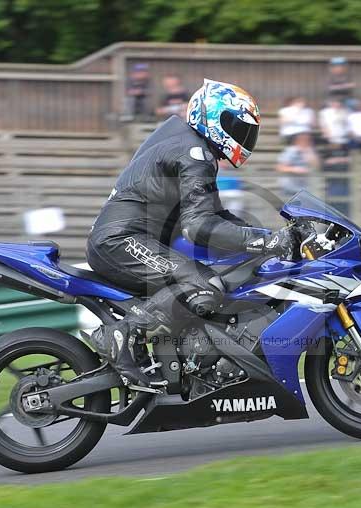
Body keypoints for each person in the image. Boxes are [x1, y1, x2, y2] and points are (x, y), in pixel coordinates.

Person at [86, 79, 295, 388]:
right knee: (203, 283)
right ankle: (121, 334)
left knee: (212, 278)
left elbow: (215, 216)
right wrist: (268, 242)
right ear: (212, 117)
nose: (243, 135)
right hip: (121, 241)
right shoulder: (193, 152)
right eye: (236, 125)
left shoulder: (190, 146)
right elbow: (198, 227)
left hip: (128, 239)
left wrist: (268, 237)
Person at [276, 133, 319, 197]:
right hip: (289, 187)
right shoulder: (291, 151)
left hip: (304, 189)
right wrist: (295, 169)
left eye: (309, 140)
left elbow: (317, 166)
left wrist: (309, 152)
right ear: (298, 141)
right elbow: (280, 167)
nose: (308, 142)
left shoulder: (310, 151)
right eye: (304, 140)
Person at [318, 99, 350, 171]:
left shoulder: (346, 112)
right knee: (329, 156)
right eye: (335, 103)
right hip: (330, 137)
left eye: (338, 103)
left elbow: (348, 125)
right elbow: (323, 124)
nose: (337, 105)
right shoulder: (325, 112)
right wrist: (327, 134)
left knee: (343, 155)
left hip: (342, 137)